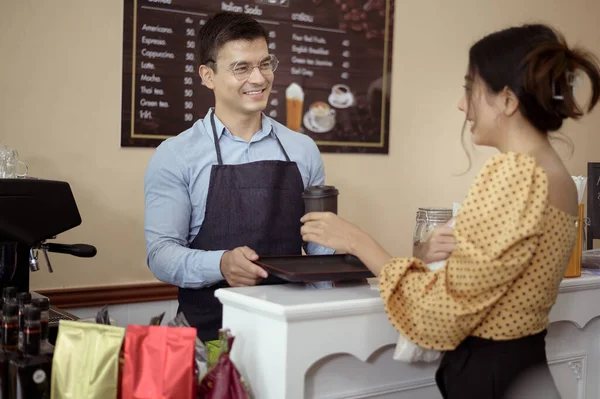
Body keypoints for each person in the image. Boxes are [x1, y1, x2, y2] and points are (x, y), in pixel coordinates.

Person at [301, 23, 600, 398]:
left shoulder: (516, 173)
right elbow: (497, 277)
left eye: (469, 88)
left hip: (493, 379)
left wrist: (357, 241)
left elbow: (438, 314)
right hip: (525, 370)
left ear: (507, 100)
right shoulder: (556, 174)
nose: (462, 104)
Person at [144, 11, 333, 342]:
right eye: (241, 68)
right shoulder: (176, 155)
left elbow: (320, 248)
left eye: (264, 64)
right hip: (210, 337)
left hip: (288, 332)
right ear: (208, 76)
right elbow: (161, 254)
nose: (259, 79)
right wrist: (221, 264)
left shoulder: (302, 150)